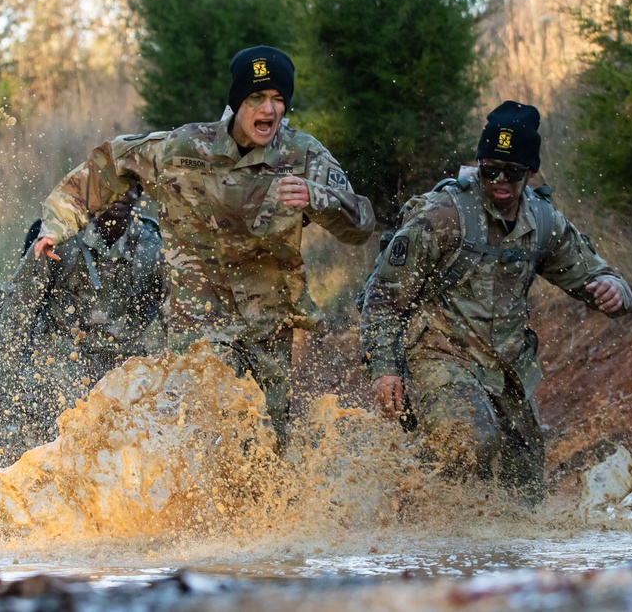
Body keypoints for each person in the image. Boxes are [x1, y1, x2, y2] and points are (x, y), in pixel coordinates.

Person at [33, 46, 376, 444]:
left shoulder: (303, 155)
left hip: (268, 327)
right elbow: (104, 169)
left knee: (269, 446)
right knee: (219, 432)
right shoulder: (183, 148)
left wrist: (319, 197)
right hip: (198, 326)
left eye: (278, 100)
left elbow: (361, 227)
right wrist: (55, 226)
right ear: (236, 101)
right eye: (256, 98)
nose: (269, 110)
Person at [360, 101, 632, 503]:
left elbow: (592, 274)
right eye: (490, 169)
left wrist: (613, 289)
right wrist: (385, 370)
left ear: (531, 172)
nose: (500, 180)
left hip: (507, 369)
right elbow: (382, 295)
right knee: (473, 438)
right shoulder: (443, 216)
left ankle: (481, 546)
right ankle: (407, 497)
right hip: (440, 356)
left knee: (524, 495)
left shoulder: (543, 223)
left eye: (513, 171)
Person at [0, 185, 166, 444]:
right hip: (63, 358)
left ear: (138, 195)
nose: (119, 195)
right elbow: (18, 313)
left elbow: (178, 313)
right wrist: (0, 388)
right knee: (58, 435)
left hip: (126, 359)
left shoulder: (152, 246)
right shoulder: (62, 237)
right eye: (109, 187)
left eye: (128, 189)